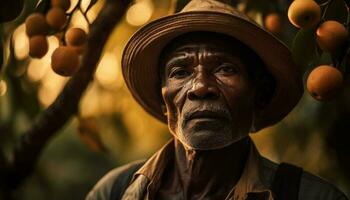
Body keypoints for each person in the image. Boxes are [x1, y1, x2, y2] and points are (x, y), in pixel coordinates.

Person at [86, 0, 349, 199]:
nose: (200, 87)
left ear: (259, 95)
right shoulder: (113, 191)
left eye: (226, 69)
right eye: (180, 72)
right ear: (162, 99)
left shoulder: (309, 196)